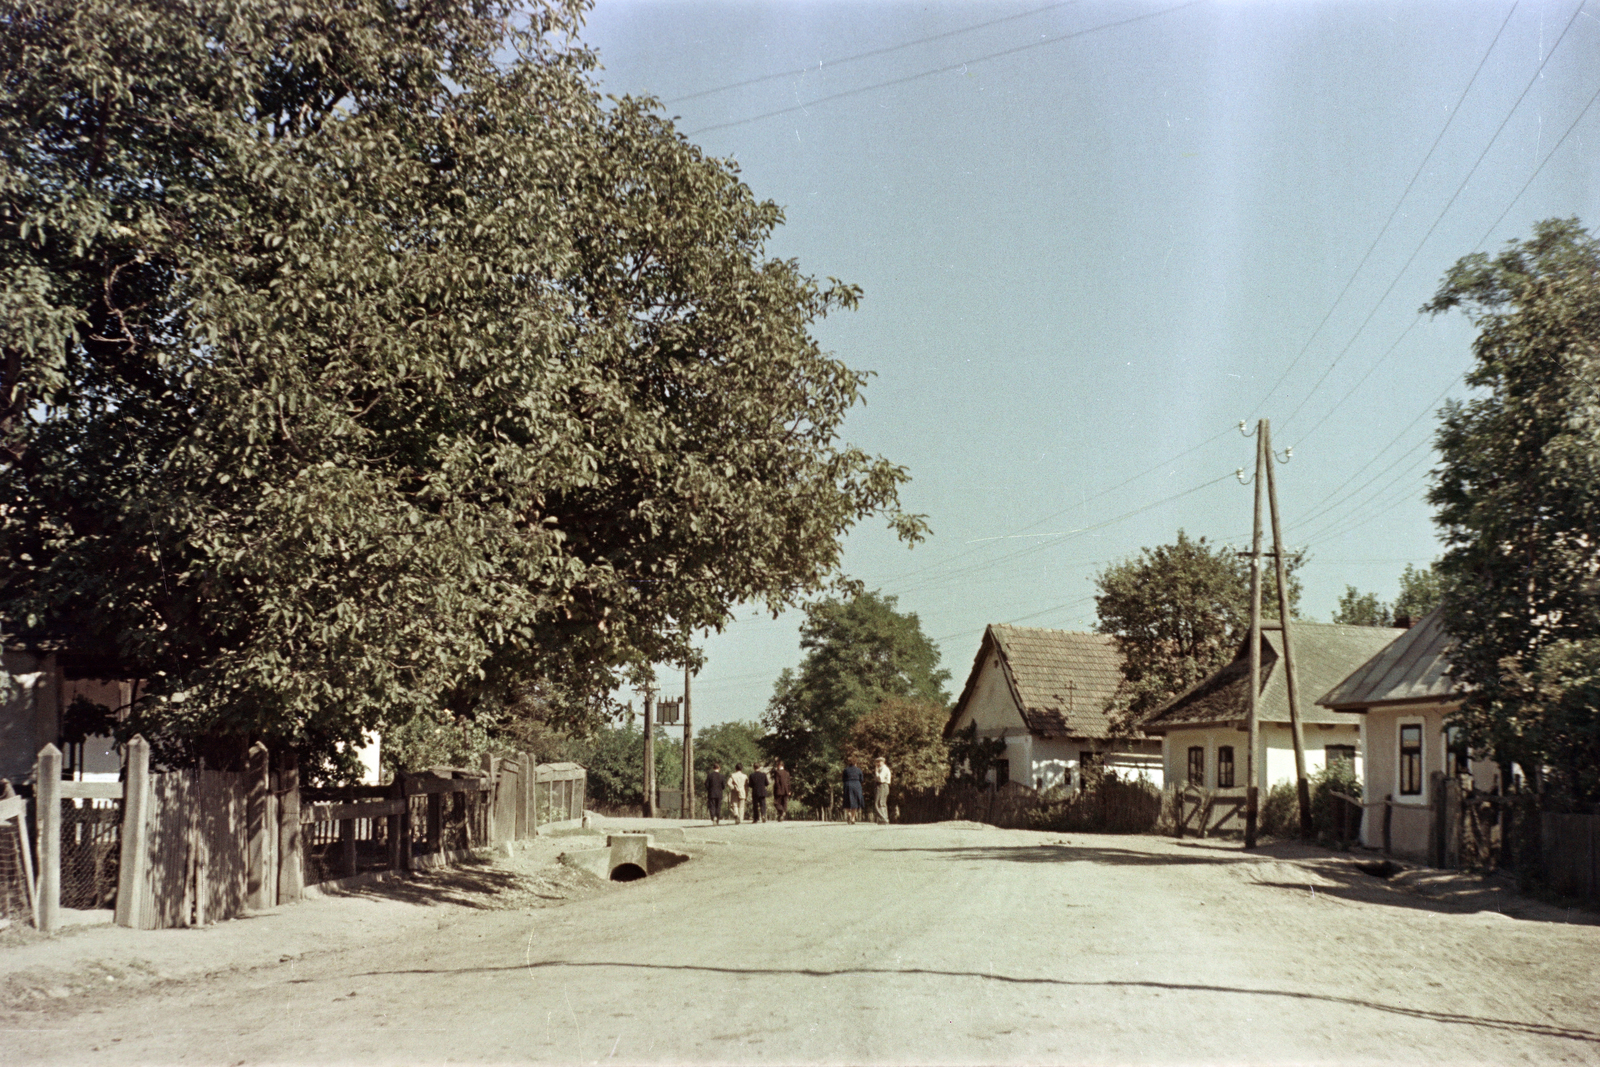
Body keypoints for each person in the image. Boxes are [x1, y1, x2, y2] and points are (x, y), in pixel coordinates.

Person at [842, 758, 864, 825]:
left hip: (848, 784)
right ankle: (853, 818)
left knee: (847, 799)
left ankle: (848, 813)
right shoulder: (858, 770)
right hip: (856, 785)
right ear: (855, 763)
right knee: (855, 801)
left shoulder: (846, 770)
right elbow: (862, 779)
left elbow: (843, 779)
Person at [705, 762, 726, 826]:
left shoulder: (710, 775)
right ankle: (717, 819)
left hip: (711, 793)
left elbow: (706, 784)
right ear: (719, 768)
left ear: (713, 768)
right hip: (719, 793)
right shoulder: (722, 776)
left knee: (712, 806)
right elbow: (723, 786)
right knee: (718, 806)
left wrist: (709, 789)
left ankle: (713, 817)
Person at [873, 756, 892, 824]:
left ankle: (883, 818)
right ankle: (883, 818)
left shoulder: (883, 769)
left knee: (879, 803)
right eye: (877, 762)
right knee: (882, 803)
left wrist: (876, 772)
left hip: (882, 785)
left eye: (879, 762)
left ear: (883, 762)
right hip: (882, 785)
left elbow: (880, 778)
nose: (878, 763)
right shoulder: (882, 769)